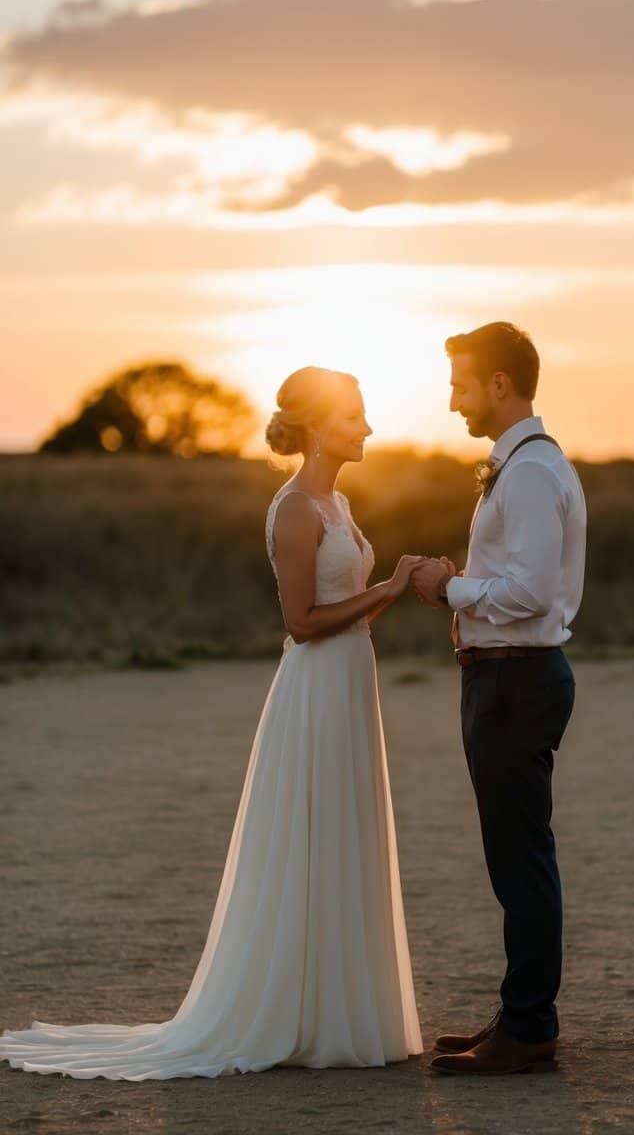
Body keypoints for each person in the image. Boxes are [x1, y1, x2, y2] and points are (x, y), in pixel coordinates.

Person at [0, 366, 424, 1078]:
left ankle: (341, 1010)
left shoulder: (339, 502)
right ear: (319, 428)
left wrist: (394, 589)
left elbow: (346, 607)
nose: (368, 427)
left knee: (344, 833)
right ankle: (298, 1015)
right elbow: (300, 622)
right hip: (316, 691)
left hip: (351, 686)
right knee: (310, 838)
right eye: (355, 416)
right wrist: (393, 585)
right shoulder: (295, 510)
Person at [411, 321, 587, 1075]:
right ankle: (517, 1012)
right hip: (501, 677)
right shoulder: (517, 467)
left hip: (516, 681)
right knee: (513, 853)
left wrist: (445, 587)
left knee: (520, 857)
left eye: (459, 385)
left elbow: (530, 591)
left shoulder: (530, 474)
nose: (451, 400)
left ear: (499, 385)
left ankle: (527, 1026)